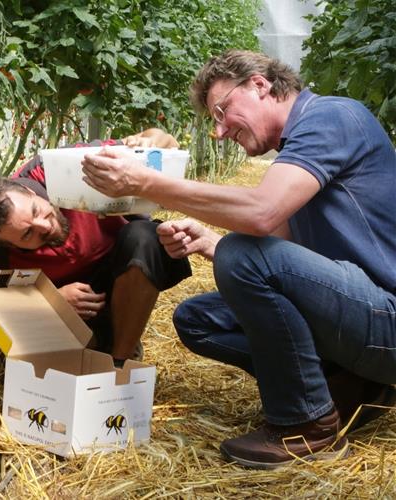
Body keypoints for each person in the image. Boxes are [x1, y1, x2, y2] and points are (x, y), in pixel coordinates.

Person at [81, 50, 396, 469]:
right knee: (197, 318)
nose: (218, 131)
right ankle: (357, 384)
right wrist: (211, 242)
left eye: (222, 110)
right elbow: (288, 248)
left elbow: (262, 215)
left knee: (242, 253)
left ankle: (306, 426)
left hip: (387, 318)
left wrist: (146, 183)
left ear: (259, 84)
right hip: (363, 314)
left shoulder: (332, 117)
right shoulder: (298, 149)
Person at [0, 131, 192, 367]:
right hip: (65, 307)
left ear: (30, 192)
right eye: (27, 234)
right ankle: (87, 352)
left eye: (35, 211)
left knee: (143, 237)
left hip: (118, 273)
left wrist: (150, 145)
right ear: (8, 244)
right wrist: (52, 301)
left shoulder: (64, 167)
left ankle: (120, 363)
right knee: (69, 353)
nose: (45, 226)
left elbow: (164, 139)